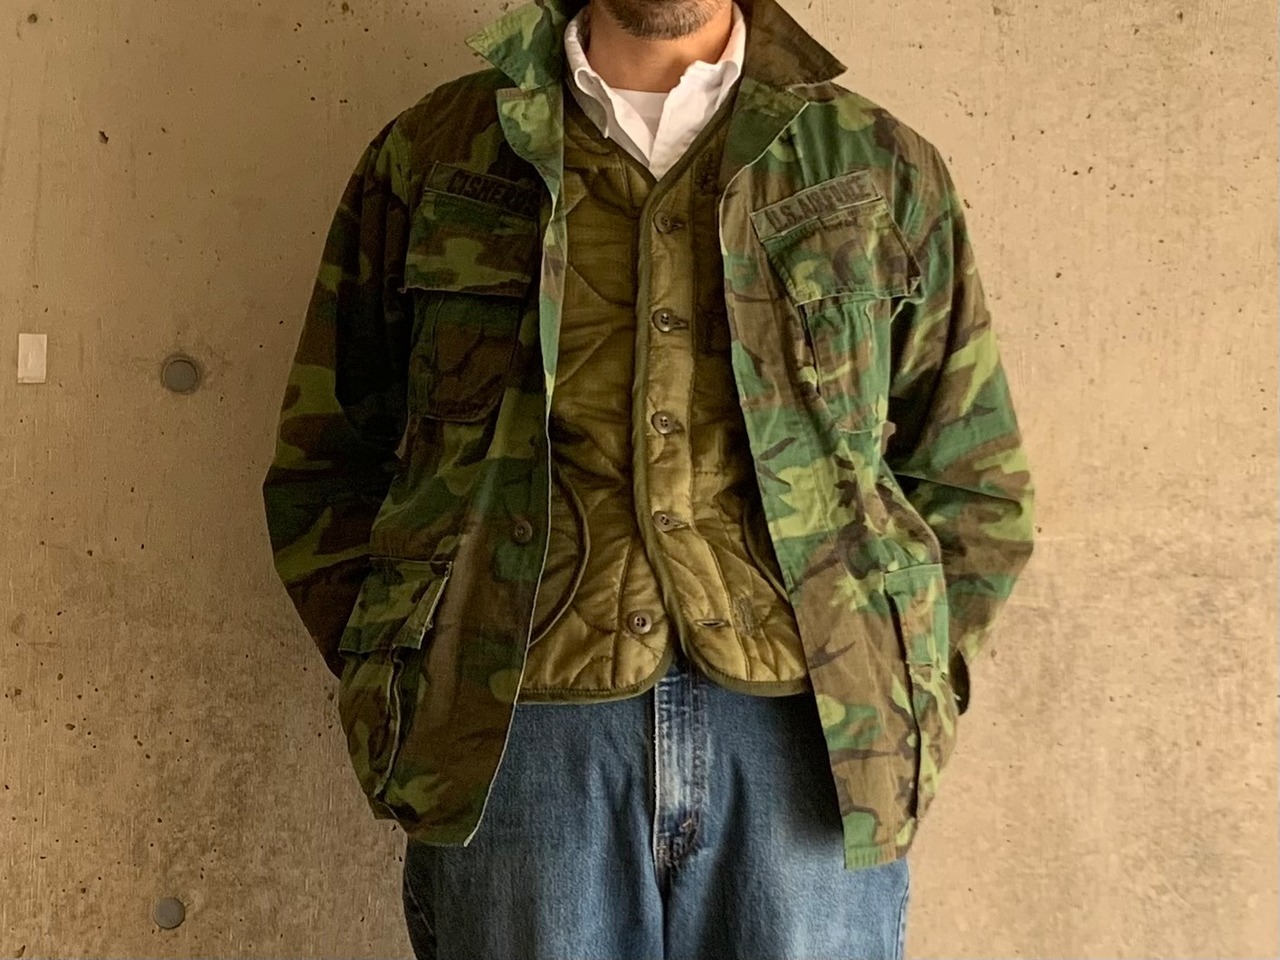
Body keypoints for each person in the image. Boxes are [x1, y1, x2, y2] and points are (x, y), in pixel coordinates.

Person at [260, 0, 1036, 955]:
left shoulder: (874, 165)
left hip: (816, 741)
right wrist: (402, 671)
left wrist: (910, 680)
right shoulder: (437, 153)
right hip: (515, 739)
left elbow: (971, 480)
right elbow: (328, 458)